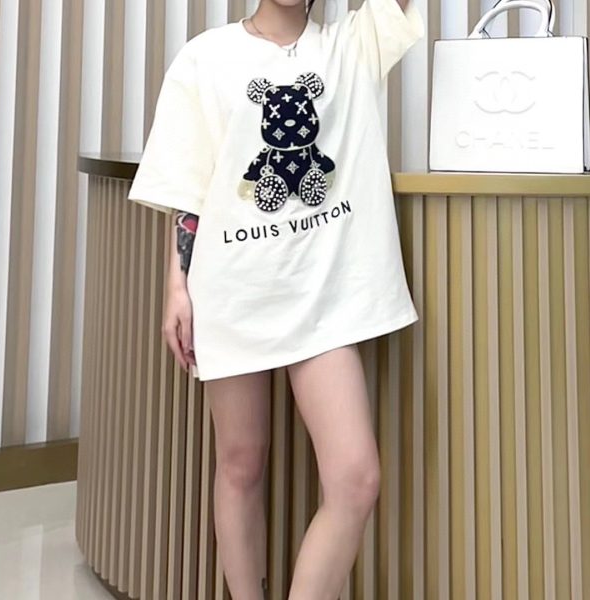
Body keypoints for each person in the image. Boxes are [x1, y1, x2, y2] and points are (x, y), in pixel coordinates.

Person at [127, 0, 424, 598]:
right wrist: (176, 286)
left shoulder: (350, 46)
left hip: (322, 301)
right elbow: (190, 186)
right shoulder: (205, 58)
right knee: (241, 465)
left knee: (355, 478)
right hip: (231, 290)